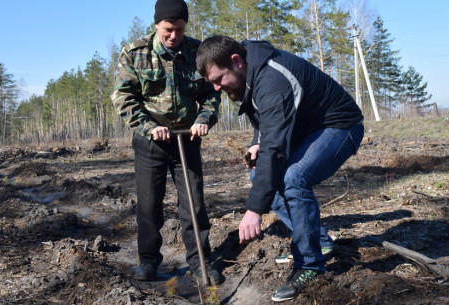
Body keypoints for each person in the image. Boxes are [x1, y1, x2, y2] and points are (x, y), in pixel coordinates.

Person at [196, 35, 364, 302]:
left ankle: (310, 266)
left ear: (236, 62)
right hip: (307, 130)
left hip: (340, 127)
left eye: (218, 80)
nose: (216, 88)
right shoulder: (251, 73)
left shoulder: (272, 77)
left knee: (292, 178)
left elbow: (275, 147)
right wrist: (257, 143)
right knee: (259, 174)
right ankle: (317, 241)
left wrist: (254, 211)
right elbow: (265, 122)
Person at [111, 0, 223, 285]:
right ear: (157, 25)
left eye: (180, 30)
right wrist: (149, 127)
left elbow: (211, 93)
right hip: (151, 143)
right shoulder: (135, 54)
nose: (174, 36)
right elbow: (124, 98)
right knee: (149, 206)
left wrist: (204, 120)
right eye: (168, 30)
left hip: (188, 139)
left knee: (194, 204)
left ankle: (200, 262)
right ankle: (148, 262)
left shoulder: (198, 52)